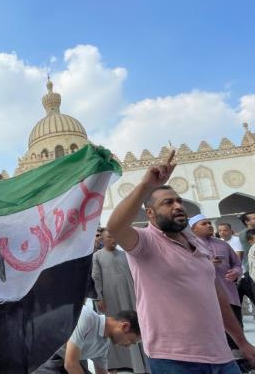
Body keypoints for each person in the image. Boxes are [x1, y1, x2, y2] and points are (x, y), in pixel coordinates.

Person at [107, 150, 255, 373]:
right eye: (167, 202)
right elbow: (116, 227)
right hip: (174, 358)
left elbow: (216, 297)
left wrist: (241, 341)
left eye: (178, 201)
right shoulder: (145, 242)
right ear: (150, 213)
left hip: (220, 355)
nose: (177, 205)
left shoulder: (198, 244)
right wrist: (146, 186)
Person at [92, 229, 149, 373]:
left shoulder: (125, 255)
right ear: (103, 239)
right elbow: (95, 278)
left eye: (114, 236)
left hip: (130, 296)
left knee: (133, 326)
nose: (112, 239)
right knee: (117, 329)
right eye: (109, 237)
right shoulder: (97, 257)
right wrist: (98, 297)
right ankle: (115, 365)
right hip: (110, 300)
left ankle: (139, 364)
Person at [190, 214, 243, 351]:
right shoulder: (189, 246)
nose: (209, 225)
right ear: (193, 229)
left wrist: (235, 273)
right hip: (207, 298)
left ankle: (243, 361)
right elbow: (187, 270)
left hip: (229, 295)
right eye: (204, 224)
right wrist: (208, 265)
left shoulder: (222, 244)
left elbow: (237, 264)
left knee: (236, 328)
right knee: (218, 332)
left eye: (209, 223)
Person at [34, 307, 141, 374]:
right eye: (131, 341)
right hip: (45, 356)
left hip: (64, 362)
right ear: (125, 327)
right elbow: (70, 364)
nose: (128, 346)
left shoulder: (104, 345)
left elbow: (101, 372)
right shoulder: (87, 317)